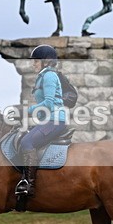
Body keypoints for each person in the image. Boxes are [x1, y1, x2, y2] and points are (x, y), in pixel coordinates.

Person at [16, 44, 67, 199]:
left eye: (36, 61)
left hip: (55, 120)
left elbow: (49, 103)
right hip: (48, 120)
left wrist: (27, 111)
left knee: (27, 143)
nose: (33, 64)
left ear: (45, 62)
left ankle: (28, 185)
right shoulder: (43, 76)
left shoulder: (49, 76)